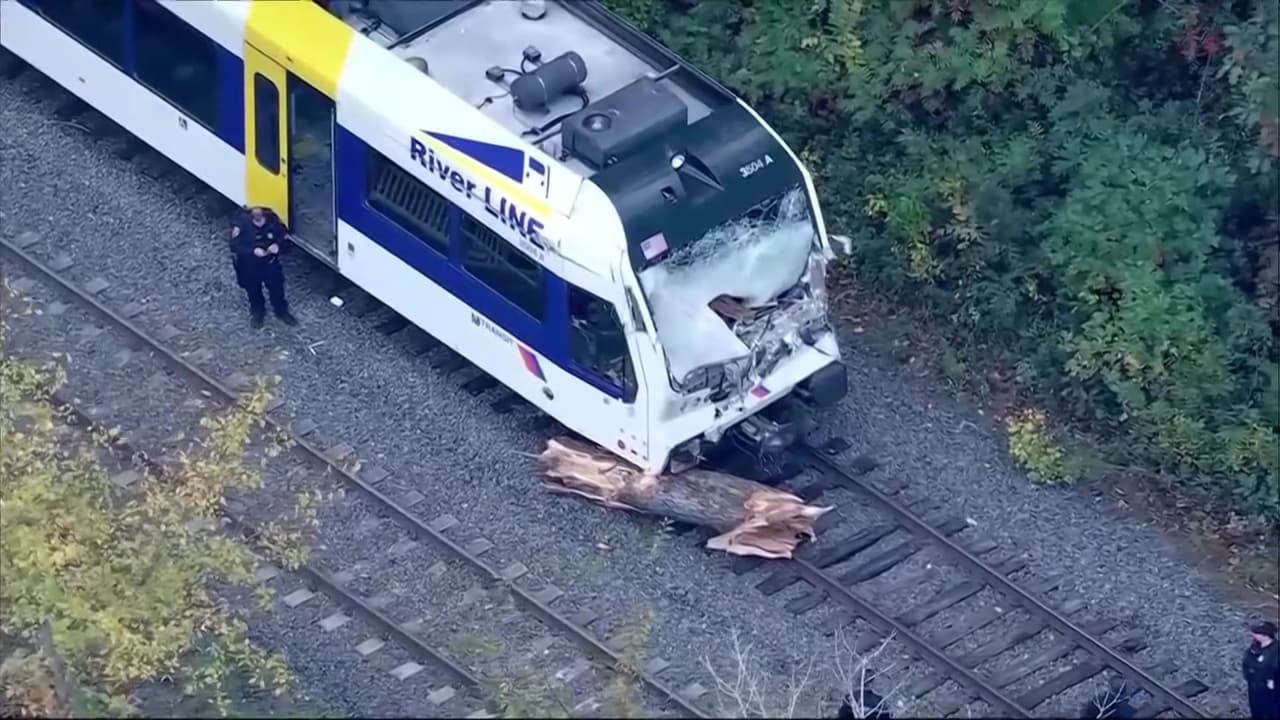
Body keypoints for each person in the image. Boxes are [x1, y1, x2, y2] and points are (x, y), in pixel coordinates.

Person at [231, 206, 298, 328]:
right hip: (250, 266)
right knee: (253, 290)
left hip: (270, 264)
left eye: (259, 210)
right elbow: (234, 246)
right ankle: (258, 312)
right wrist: (252, 251)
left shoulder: (274, 222)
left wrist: (278, 247)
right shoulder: (242, 224)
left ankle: (281, 311)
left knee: (277, 289)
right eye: (254, 210)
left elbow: (287, 241)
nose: (257, 213)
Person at [1244, 621, 1280, 720]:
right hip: (1255, 686)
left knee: (1272, 711)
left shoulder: (1276, 652)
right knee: (1256, 709)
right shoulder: (1255, 647)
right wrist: (1249, 676)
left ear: (1265, 635)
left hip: (1271, 691)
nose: (1252, 634)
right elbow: (1246, 663)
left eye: (1256, 633)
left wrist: (1273, 682)